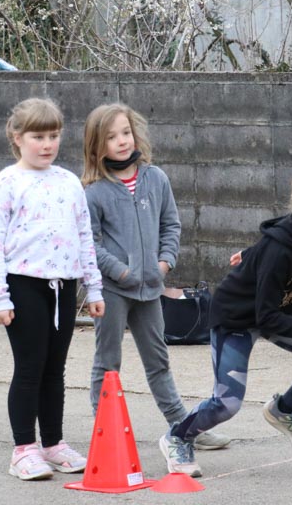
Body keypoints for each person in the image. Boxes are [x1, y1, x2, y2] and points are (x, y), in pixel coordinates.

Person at [159, 161, 292, 477]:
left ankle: (286, 410)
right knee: (227, 404)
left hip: (279, 311)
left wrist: (251, 255)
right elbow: (265, 314)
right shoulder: (279, 249)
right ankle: (178, 437)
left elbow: (274, 242)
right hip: (236, 318)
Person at [81, 103, 230, 453]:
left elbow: (171, 225)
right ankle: (105, 432)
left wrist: (164, 263)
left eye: (126, 133)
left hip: (150, 289)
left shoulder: (156, 178)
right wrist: (120, 271)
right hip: (112, 291)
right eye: (111, 137)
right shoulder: (93, 192)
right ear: (97, 145)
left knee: (159, 361)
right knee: (107, 362)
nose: (122, 141)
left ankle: (184, 427)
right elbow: (88, 243)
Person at [0, 98, 105, 481]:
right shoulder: (6, 183)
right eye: (38, 136)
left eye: (53, 135)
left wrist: (94, 288)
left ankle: (53, 444)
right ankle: (23, 449)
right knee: (30, 367)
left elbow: (85, 236)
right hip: (23, 286)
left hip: (63, 287)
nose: (47, 144)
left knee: (55, 369)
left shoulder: (69, 181)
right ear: (17, 137)